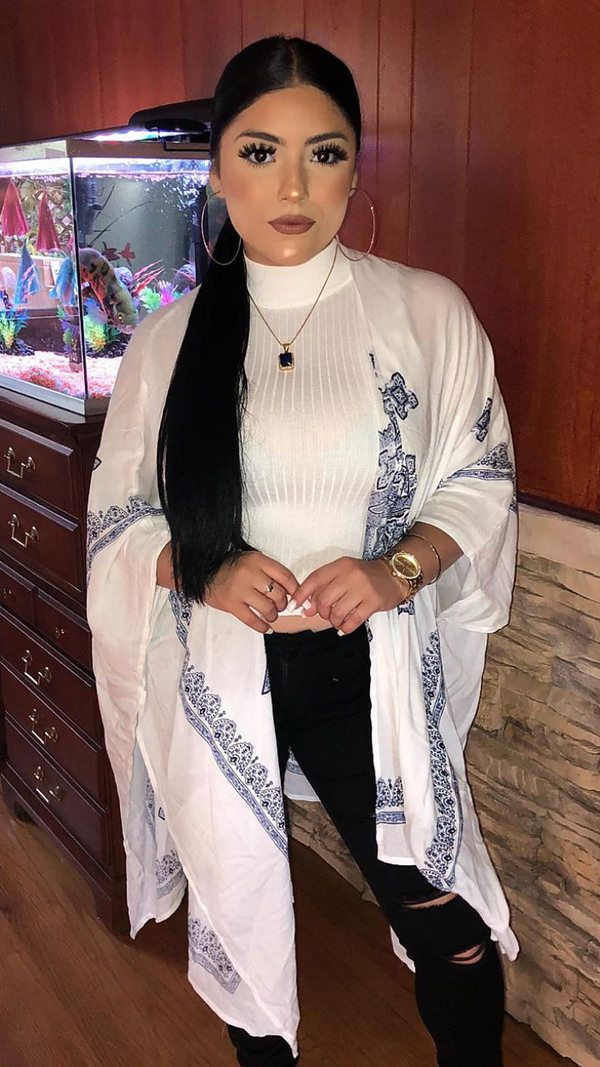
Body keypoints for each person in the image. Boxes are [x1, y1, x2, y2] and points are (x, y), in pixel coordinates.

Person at [86, 35, 519, 1067]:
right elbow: (118, 513)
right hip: (217, 666)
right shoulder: (168, 340)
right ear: (215, 169)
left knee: (444, 917)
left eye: (323, 154)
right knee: (237, 905)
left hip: (361, 667)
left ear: (356, 167)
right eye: (259, 152)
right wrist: (201, 564)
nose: (293, 187)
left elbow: (481, 474)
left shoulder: (424, 311)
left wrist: (393, 570)